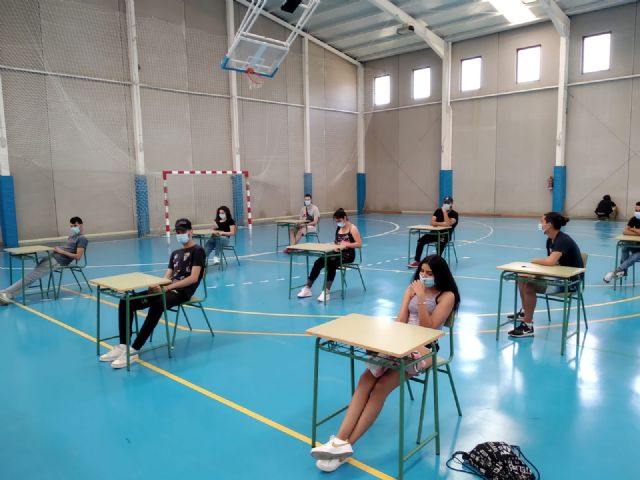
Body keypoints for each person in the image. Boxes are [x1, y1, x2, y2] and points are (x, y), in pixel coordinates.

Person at [310, 255, 460, 472]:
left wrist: (420, 298)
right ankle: (339, 441)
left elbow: (428, 330)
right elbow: (400, 321)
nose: (424, 276)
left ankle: (347, 446)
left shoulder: (447, 296)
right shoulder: (412, 288)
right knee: (365, 380)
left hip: (425, 348)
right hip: (402, 340)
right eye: (422, 271)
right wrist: (385, 341)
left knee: (380, 388)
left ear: (440, 274)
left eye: (429, 273)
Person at [99, 218, 205, 369]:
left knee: (158, 304)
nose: (180, 234)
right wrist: (157, 286)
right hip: (167, 289)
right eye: (178, 232)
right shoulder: (175, 253)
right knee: (126, 301)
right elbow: (167, 276)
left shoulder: (198, 251)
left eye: (183, 231)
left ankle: (134, 350)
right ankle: (123, 346)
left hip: (182, 292)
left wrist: (167, 288)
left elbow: (193, 278)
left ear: (191, 231)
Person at [508, 212, 583, 338]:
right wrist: (534, 274)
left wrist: (534, 261)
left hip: (571, 283)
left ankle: (528, 326)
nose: (540, 224)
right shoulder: (550, 240)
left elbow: (550, 262)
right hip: (560, 277)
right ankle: (526, 313)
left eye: (542, 222)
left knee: (529, 286)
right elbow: (553, 264)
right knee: (522, 279)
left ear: (549, 225)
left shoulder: (563, 240)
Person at [0, 217, 88, 305]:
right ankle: (9, 294)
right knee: (32, 276)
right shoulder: (72, 236)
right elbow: (67, 248)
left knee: (31, 277)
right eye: (71, 226)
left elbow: (78, 256)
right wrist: (58, 249)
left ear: (81, 225)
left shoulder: (82, 239)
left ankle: (5, 293)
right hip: (52, 257)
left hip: (57, 261)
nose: (73, 228)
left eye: (75, 225)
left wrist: (61, 251)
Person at [296, 208, 361, 302]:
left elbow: (359, 244)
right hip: (337, 252)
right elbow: (337, 242)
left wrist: (346, 245)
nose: (338, 223)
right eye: (336, 221)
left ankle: (326, 292)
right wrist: (334, 246)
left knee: (331, 263)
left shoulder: (352, 228)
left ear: (345, 218)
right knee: (318, 262)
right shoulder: (339, 228)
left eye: (339, 220)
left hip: (348, 255)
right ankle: (307, 288)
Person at [408, 196, 459, 268]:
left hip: (445, 235)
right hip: (434, 233)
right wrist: (443, 224)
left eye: (448, 203)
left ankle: (437, 262)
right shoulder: (438, 211)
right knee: (421, 241)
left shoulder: (454, 214)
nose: (446, 204)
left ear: (451, 204)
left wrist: (444, 212)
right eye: (445, 202)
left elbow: (448, 224)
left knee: (440, 243)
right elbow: (432, 223)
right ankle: (417, 261)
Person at [603, 201, 640, 283]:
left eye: (639, 211)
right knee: (625, 247)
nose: (637, 212)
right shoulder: (634, 219)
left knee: (636, 255)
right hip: (636, 245)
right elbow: (625, 231)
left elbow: (629, 230)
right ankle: (624, 272)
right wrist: (637, 231)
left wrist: (632, 229)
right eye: (636, 210)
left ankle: (617, 271)